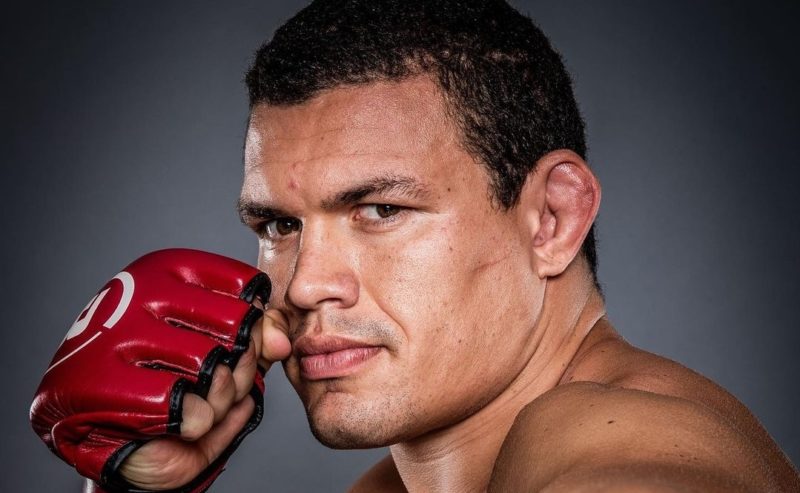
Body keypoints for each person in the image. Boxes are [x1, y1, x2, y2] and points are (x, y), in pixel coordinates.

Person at [30, 1, 800, 492]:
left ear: (552, 219)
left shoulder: (621, 438)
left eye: (380, 209)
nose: (303, 287)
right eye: (280, 226)